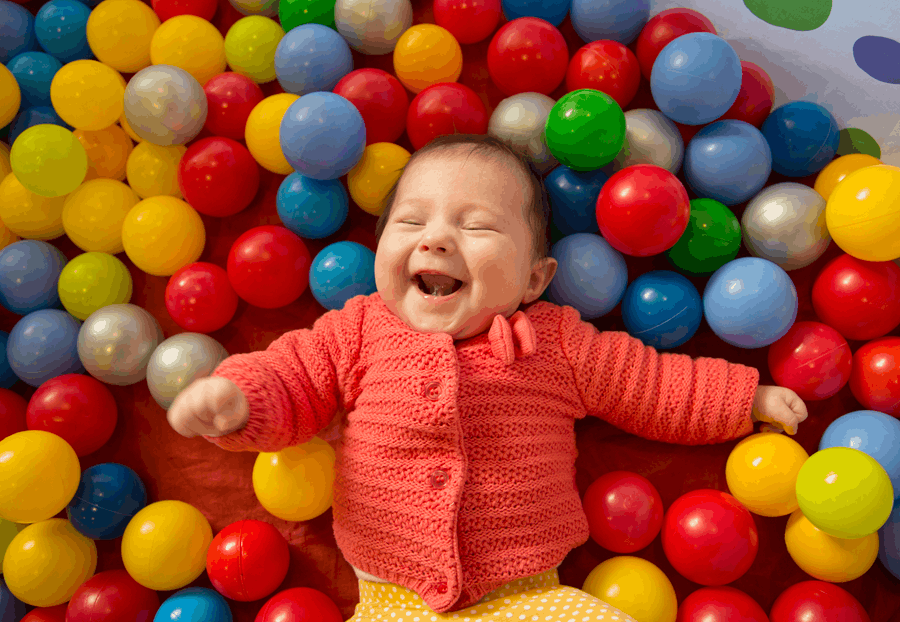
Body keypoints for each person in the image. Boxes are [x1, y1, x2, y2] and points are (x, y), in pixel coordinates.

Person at [168, 133, 808, 621]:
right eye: (411, 222)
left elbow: (650, 386)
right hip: (393, 600)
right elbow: (292, 377)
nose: (436, 240)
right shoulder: (356, 330)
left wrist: (745, 397)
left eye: (476, 227)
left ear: (535, 279)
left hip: (523, 596)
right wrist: (239, 399)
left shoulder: (555, 343)